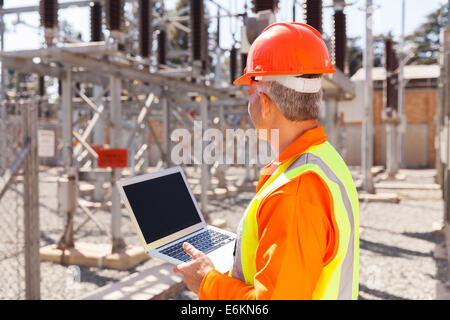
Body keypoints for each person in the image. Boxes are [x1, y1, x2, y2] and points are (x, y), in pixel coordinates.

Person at [173, 22, 359, 300]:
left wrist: (207, 282)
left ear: (265, 102)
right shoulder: (322, 159)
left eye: (249, 91)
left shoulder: (295, 192)